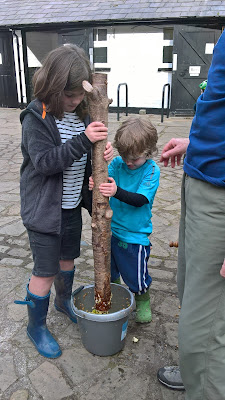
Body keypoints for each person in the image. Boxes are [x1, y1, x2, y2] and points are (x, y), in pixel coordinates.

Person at [14, 44, 113, 359]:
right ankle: (36, 326)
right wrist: (85, 141)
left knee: (68, 259)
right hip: (43, 212)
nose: (75, 102)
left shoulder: (80, 115)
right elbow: (45, 162)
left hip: (70, 207)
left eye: (80, 96)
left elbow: (85, 156)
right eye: (69, 96)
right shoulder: (37, 117)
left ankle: (63, 300)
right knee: (44, 270)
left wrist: (100, 154)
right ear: (51, 87)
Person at [157, 30, 225, 400]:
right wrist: (198, 143)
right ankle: (197, 372)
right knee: (192, 291)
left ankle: (208, 382)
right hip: (204, 175)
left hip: (220, 197)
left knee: (207, 329)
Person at [89, 116, 160, 323]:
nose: (129, 162)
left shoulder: (151, 170)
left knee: (136, 275)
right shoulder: (119, 163)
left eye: (135, 158)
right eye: (125, 156)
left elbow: (140, 200)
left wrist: (116, 191)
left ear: (149, 152)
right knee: (110, 268)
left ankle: (143, 299)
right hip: (111, 229)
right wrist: (96, 181)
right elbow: (105, 179)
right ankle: (116, 289)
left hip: (135, 236)